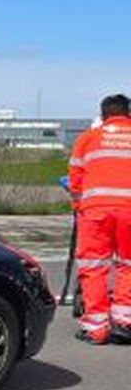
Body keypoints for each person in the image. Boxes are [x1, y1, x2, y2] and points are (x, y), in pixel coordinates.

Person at [66, 93, 131, 344]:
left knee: (94, 267)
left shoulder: (87, 139)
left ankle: (96, 328)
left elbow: (75, 180)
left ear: (103, 115)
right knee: (128, 264)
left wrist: (78, 206)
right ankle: (125, 323)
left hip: (95, 212)